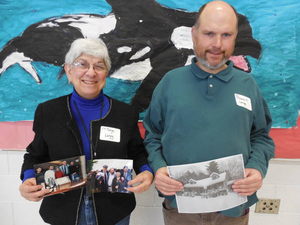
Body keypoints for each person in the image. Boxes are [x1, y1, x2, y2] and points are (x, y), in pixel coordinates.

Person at [143, 1, 275, 225]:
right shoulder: (169, 82)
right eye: (209, 33)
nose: (217, 44)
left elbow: (261, 137)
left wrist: (256, 168)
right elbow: (153, 135)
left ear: (235, 37)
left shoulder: (247, 85)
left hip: (233, 208)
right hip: (180, 208)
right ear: (194, 34)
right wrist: (159, 168)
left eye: (226, 35)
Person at [19, 38, 153, 225]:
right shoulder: (48, 111)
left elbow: (136, 152)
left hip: (114, 211)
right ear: (68, 71)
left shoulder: (125, 113)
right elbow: (34, 155)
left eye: (99, 66)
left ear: (106, 73)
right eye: (82, 64)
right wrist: (29, 179)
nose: (91, 72)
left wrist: (146, 171)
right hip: (63, 211)